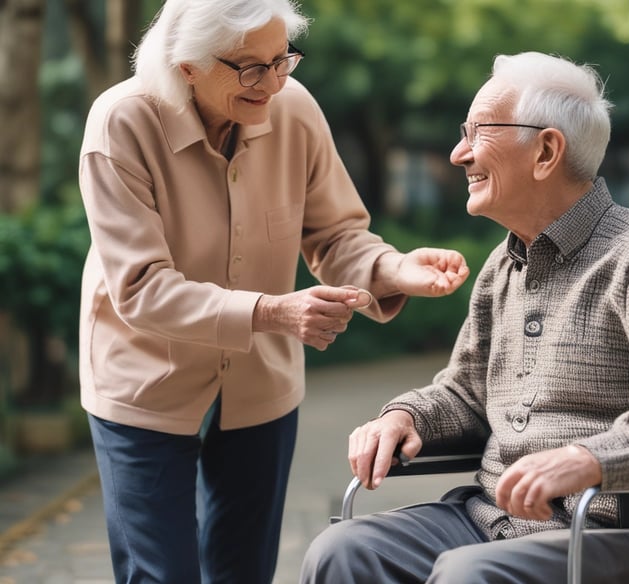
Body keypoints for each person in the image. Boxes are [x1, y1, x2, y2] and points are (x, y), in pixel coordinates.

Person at [300, 51, 629, 584]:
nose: (457, 153)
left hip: (613, 528)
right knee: (343, 550)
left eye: (477, 133)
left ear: (546, 151)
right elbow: (465, 395)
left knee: (469, 576)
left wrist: (588, 457)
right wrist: (403, 418)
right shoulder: (501, 267)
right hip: (491, 519)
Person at [77, 0, 470, 582]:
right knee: (159, 573)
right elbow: (140, 286)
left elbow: (335, 235)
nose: (274, 82)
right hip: (143, 381)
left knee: (243, 571)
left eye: (282, 59)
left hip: (259, 383)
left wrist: (393, 268)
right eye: (251, 67)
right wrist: (272, 311)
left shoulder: (294, 107)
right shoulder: (122, 122)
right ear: (187, 65)